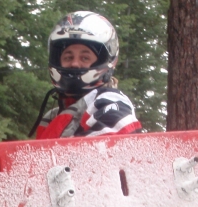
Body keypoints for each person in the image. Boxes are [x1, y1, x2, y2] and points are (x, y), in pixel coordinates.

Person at [31, 11, 142, 139]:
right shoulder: (51, 117)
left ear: (104, 61)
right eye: (68, 57)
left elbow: (106, 152)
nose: (75, 64)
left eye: (84, 58)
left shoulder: (110, 103)